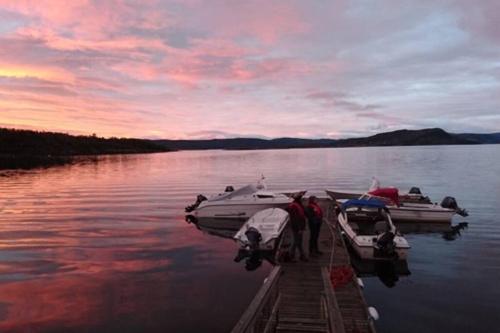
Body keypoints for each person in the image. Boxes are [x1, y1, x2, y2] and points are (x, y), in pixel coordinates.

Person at [287, 194, 307, 262]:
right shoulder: (294, 206)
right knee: (295, 241)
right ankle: (291, 256)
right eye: (301, 198)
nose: (302, 200)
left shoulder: (298, 205)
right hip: (297, 227)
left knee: (299, 241)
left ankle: (302, 255)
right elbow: (295, 218)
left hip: (298, 226)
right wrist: (300, 228)